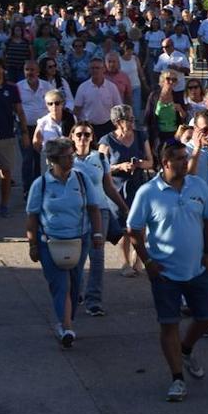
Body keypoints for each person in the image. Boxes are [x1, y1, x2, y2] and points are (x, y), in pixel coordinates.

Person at [127, 141, 208, 402]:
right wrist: (147, 262)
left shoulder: (198, 185)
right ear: (165, 163)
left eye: (185, 157)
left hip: (198, 269)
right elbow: (133, 229)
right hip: (164, 272)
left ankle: (186, 349)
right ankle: (177, 378)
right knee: (169, 325)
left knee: (207, 318)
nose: (184, 162)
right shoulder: (148, 192)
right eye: (178, 158)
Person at [25, 137, 105, 349]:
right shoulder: (40, 184)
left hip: (80, 240)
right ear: (53, 160)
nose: (71, 159)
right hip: (49, 242)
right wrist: (32, 244)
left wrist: (97, 234)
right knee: (61, 284)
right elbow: (32, 217)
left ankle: (67, 317)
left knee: (75, 283)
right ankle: (66, 326)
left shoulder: (80, 179)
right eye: (66, 157)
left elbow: (93, 208)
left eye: (71, 155)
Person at [70, 122, 129, 317]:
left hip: (100, 211)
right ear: (72, 137)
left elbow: (109, 187)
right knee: (77, 256)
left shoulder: (100, 158)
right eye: (78, 135)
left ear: (92, 137)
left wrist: (124, 208)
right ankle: (75, 292)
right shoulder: (67, 160)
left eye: (87, 135)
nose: (82, 139)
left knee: (97, 256)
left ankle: (93, 300)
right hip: (77, 212)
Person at [98, 104, 155, 278]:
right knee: (124, 227)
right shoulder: (106, 140)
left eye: (132, 119)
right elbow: (101, 167)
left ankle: (138, 259)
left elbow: (150, 162)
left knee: (141, 224)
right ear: (117, 122)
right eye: (128, 119)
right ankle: (125, 262)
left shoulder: (140, 136)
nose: (132, 122)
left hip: (138, 185)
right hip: (116, 188)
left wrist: (138, 164)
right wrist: (120, 167)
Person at [17, 61, 54, 193]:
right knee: (28, 159)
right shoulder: (18, 87)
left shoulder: (47, 86)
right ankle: (27, 190)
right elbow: (16, 110)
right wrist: (24, 131)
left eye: (32, 70)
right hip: (25, 128)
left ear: (38, 72)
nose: (30, 73)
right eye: (27, 70)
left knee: (41, 159)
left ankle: (40, 188)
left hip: (44, 128)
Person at [74, 59, 123, 142]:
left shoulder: (112, 87)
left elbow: (118, 108)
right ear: (89, 70)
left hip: (108, 126)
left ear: (103, 69)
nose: (95, 70)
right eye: (92, 68)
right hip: (89, 127)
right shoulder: (83, 87)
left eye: (97, 68)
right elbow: (77, 110)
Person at [146, 71, 187, 153]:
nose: (171, 82)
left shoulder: (178, 97)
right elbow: (148, 116)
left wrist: (180, 110)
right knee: (158, 155)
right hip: (158, 133)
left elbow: (184, 117)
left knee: (172, 156)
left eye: (174, 80)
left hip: (174, 133)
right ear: (162, 80)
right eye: (168, 79)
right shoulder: (154, 95)